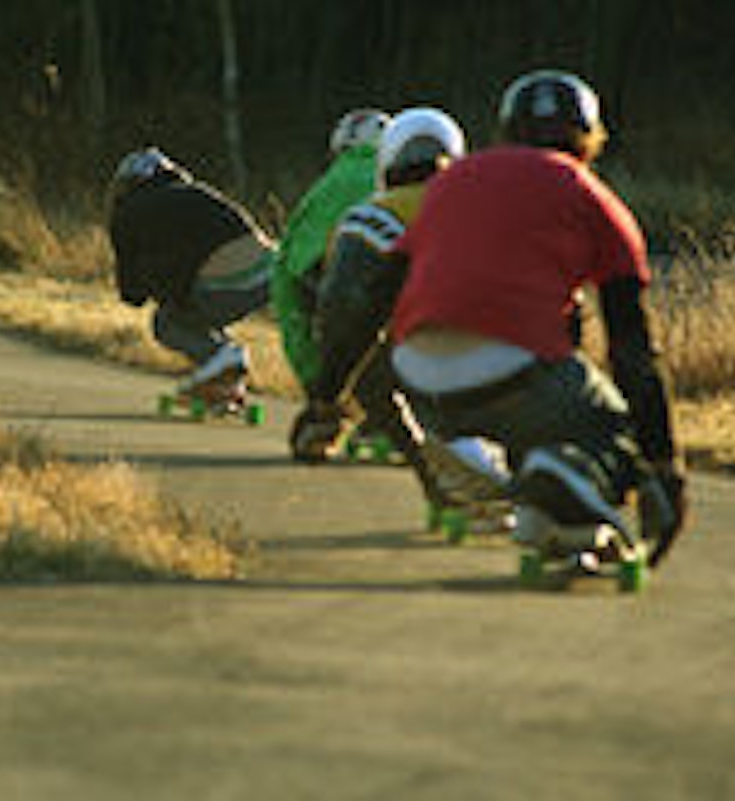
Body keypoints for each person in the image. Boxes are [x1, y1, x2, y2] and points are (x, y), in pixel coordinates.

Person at [383, 70, 686, 562]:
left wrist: (339, 395)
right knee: (607, 422)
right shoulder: (593, 199)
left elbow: (381, 285)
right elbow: (632, 349)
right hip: (511, 372)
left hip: (417, 379)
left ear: (506, 132)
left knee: (549, 374)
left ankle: (541, 506)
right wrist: (662, 467)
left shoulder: (451, 181)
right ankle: (569, 476)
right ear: (590, 140)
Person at [292, 107, 509, 529]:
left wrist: (325, 398)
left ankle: (444, 478)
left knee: (372, 371)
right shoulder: (490, 209)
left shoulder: (374, 215)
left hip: (428, 352)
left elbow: (344, 312)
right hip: (517, 351)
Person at [106, 147, 275, 399]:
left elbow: (132, 293)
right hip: (270, 275)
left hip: (228, 285)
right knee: (196, 316)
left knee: (167, 322)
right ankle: (225, 380)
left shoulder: (128, 212)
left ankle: (223, 358)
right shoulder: (198, 192)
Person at [270, 107, 391, 442]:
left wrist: (316, 385)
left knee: (350, 336)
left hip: (337, 284)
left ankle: (351, 413)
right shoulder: (433, 179)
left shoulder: (325, 189)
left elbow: (289, 280)